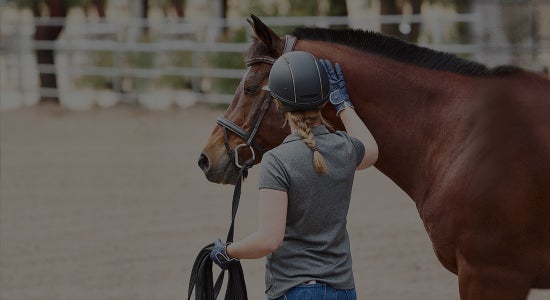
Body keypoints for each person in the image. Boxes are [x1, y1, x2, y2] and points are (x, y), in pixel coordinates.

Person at [210, 51, 379, 300]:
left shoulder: (277, 161)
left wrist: (227, 251)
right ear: (323, 102)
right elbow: (372, 151)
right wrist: (343, 104)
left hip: (296, 290)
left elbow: (268, 240)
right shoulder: (345, 147)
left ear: (278, 105)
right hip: (343, 289)